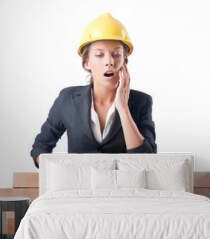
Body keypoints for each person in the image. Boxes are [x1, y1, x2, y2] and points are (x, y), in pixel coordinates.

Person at [30, 13, 157, 168]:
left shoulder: (141, 102)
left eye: (116, 54)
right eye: (99, 55)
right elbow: (40, 148)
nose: (109, 61)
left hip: (123, 190)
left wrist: (123, 109)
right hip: (79, 189)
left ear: (124, 62)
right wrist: (61, 174)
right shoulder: (67, 99)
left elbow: (147, 161)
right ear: (86, 63)